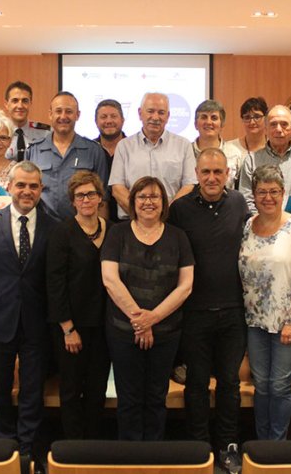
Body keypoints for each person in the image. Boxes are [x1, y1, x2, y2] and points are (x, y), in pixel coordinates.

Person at [169, 148, 249, 471]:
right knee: (197, 383)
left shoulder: (240, 203)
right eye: (206, 173)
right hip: (194, 311)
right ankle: (200, 447)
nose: (212, 178)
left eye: (218, 172)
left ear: (227, 173)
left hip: (233, 311)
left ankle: (228, 446)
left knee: (230, 383)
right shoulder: (180, 210)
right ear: (197, 174)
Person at [0, 161, 57, 466]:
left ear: (41, 190)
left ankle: (26, 451)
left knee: (32, 392)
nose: (27, 191)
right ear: (8, 187)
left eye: (33, 186)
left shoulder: (54, 226)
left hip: (37, 321)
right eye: (21, 185)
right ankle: (4, 451)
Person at [101, 176, 194, 440]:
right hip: (123, 332)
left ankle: (153, 458)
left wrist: (152, 319)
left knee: (156, 398)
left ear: (164, 202)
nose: (148, 202)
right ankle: (130, 459)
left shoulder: (178, 237)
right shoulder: (117, 233)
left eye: (155, 197)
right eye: (142, 197)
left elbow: (185, 286)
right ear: (132, 202)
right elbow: (110, 279)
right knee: (128, 399)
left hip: (166, 332)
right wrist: (140, 320)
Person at [239, 165, 291, 440]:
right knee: (261, 385)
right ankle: (262, 444)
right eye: (262, 191)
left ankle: (277, 446)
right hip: (254, 321)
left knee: (279, 386)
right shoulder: (247, 226)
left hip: (288, 322)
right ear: (254, 194)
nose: (268, 197)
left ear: (283, 192)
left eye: (274, 191)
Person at [46, 171, 113, 440]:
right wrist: (67, 328)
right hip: (72, 327)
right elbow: (55, 283)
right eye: (80, 195)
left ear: (100, 198)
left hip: (105, 326)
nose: (86, 199)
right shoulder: (62, 233)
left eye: (91, 194)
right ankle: (73, 449)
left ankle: (93, 447)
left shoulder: (113, 230)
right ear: (72, 201)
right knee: (72, 390)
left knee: (97, 390)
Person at [108, 92, 196, 218]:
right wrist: (141, 214)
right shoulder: (124, 146)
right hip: (132, 222)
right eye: (150, 111)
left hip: (172, 222)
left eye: (161, 112)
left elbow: (189, 186)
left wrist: (165, 213)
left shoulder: (184, 145)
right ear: (140, 113)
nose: (155, 117)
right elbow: (117, 188)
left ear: (168, 116)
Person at [26, 91, 109, 221]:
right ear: (50, 114)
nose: (63, 116)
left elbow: (103, 200)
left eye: (69, 111)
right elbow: (27, 195)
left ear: (77, 115)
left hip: (83, 229)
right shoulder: (34, 150)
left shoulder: (94, 151)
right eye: (58, 111)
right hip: (44, 229)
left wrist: (101, 234)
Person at [237, 105, 291, 213]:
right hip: (262, 226)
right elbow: (246, 201)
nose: (279, 129)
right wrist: (262, 223)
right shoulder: (251, 161)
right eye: (273, 124)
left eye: (284, 124)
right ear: (266, 129)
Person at [0, 81, 50, 163]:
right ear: (6, 104)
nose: (20, 106)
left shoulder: (45, 134)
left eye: (25, 101)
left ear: (30, 103)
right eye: (15, 101)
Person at [191, 100, 244, 189]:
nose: (208, 122)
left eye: (214, 118)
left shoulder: (235, 154)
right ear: (196, 124)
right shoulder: (186, 152)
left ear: (222, 124)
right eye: (204, 117)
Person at [93, 99, 126, 222]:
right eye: (103, 117)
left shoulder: (134, 148)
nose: (109, 121)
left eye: (113, 116)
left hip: (129, 220)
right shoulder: (89, 150)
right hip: (96, 221)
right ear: (96, 122)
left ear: (122, 120)